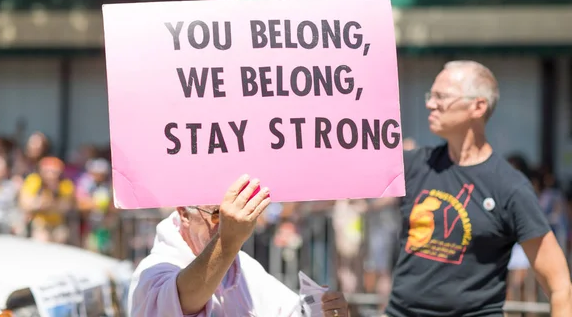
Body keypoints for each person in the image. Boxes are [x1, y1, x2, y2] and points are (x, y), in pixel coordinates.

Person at [384, 60, 572, 317]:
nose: (430, 104)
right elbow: (345, 166)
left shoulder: (510, 187)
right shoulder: (416, 165)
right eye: (431, 95)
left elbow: (560, 286)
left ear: (478, 106)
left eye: (441, 96)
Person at [128, 174, 350, 316]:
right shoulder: (152, 272)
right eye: (218, 214)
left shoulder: (242, 266)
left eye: (236, 213)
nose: (230, 222)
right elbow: (181, 300)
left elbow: (290, 310)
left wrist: (323, 310)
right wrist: (228, 240)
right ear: (184, 213)